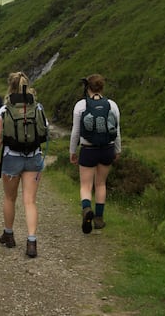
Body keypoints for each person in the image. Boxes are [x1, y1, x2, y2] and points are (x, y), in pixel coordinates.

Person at [0, 72, 47, 258]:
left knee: (9, 198)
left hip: (12, 158)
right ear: (27, 86)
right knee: (30, 201)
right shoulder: (37, 108)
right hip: (34, 156)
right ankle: (31, 241)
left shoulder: (4, 111)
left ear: (10, 87)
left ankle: (9, 235)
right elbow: (44, 130)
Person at [69, 73, 121, 234]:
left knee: (86, 185)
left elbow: (76, 132)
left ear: (87, 87)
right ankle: (99, 218)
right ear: (102, 87)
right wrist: (117, 149)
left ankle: (86, 209)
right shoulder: (112, 105)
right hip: (107, 148)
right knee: (101, 184)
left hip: (88, 149)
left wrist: (72, 151)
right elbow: (117, 130)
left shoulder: (80, 105)